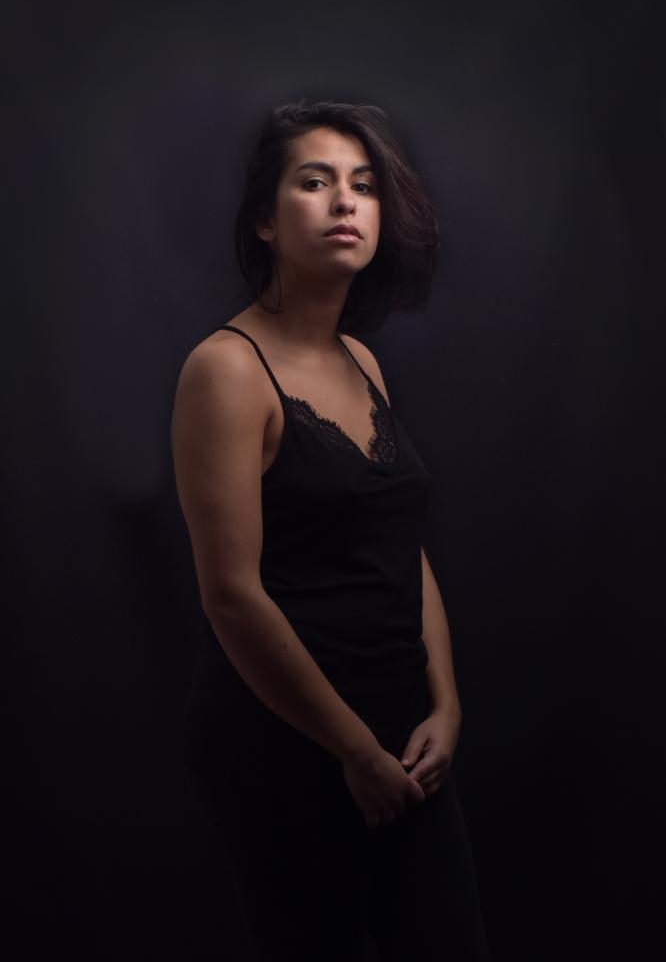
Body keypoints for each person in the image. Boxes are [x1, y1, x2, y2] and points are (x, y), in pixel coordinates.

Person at [171, 100, 491, 961]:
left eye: (364, 185)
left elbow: (399, 545)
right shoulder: (227, 370)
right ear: (264, 221)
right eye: (315, 183)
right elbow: (231, 595)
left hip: (402, 732)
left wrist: (446, 705)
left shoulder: (363, 361)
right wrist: (353, 751)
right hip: (287, 741)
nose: (346, 201)